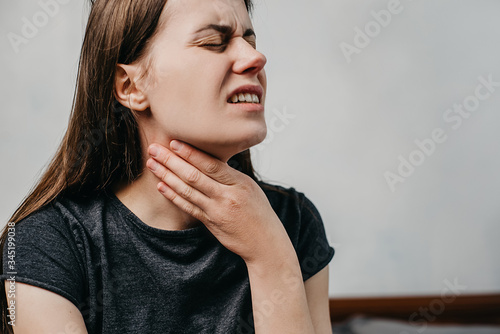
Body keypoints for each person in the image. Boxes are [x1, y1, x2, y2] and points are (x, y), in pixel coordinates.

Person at [0, 0, 335, 333]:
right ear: (130, 87)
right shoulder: (42, 242)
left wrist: (271, 257)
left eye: (250, 41)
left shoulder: (295, 223)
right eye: (213, 43)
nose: (255, 58)